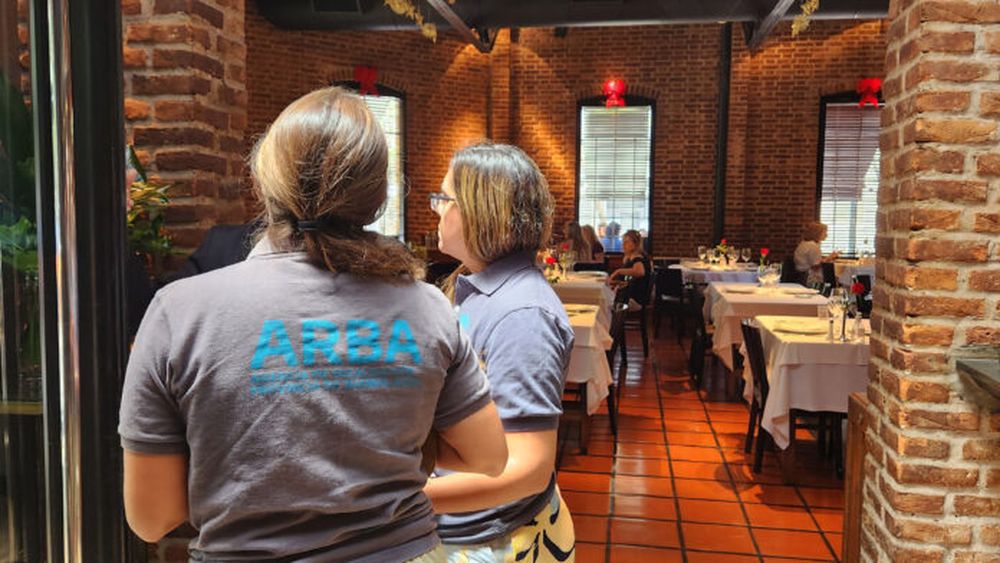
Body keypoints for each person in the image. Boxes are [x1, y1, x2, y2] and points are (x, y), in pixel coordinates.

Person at [118, 87, 509, 562]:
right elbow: (488, 457)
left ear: (265, 182)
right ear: (377, 196)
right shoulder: (428, 307)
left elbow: (152, 518)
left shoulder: (178, 309)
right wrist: (389, 436)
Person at [427, 142, 576, 560]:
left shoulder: (522, 312)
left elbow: (527, 469)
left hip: (492, 539)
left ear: (480, 210)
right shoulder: (476, 285)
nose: (437, 209)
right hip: (467, 523)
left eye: (445, 199)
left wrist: (405, 499)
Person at [608, 229, 652, 310]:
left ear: (635, 244)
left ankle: (613, 322)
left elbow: (640, 272)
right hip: (631, 296)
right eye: (623, 242)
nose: (623, 244)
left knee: (605, 304)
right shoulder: (631, 257)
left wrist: (618, 271)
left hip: (634, 300)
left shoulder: (638, 257)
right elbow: (631, 281)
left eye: (627, 242)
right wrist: (617, 283)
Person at [794, 220, 840, 285]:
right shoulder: (813, 246)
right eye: (825, 232)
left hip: (801, 276)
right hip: (810, 278)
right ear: (818, 233)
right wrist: (830, 258)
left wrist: (828, 258)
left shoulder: (804, 243)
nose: (826, 235)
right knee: (838, 277)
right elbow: (815, 267)